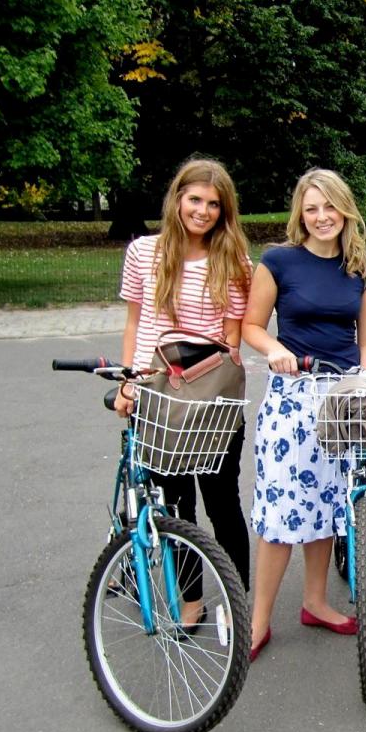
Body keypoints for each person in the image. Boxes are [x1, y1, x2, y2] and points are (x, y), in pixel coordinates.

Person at [242, 168, 366, 662]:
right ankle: (257, 622)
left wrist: (364, 381)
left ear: (345, 209)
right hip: (292, 394)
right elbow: (251, 326)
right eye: (312, 208)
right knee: (282, 511)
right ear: (300, 214)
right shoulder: (279, 261)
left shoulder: (361, 268)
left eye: (330, 207)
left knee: (328, 503)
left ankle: (316, 601)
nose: (322, 217)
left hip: (340, 397)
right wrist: (275, 349)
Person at [116, 157, 253, 626]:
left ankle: (238, 600)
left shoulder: (232, 259)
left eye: (214, 204)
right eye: (195, 199)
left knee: (222, 502)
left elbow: (231, 337)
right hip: (157, 394)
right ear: (177, 199)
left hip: (211, 395)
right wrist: (130, 382)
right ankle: (191, 602)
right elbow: (137, 323)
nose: (203, 211)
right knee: (176, 507)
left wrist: (198, 378)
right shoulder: (144, 253)